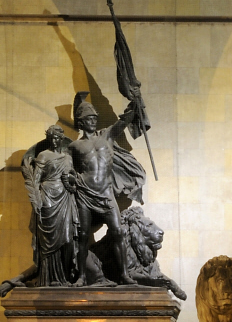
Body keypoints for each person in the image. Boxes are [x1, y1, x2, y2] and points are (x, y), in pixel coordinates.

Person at [68, 96, 143, 286]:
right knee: (83, 235)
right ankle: (82, 276)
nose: (93, 121)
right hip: (84, 194)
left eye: (94, 118)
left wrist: (134, 105)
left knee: (118, 231)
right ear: (81, 122)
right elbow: (67, 169)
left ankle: (125, 274)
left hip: (105, 193)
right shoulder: (74, 146)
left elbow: (122, 123)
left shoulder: (106, 136)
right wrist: (69, 179)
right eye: (89, 119)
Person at [24, 125, 81, 286]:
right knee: (48, 241)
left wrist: (71, 181)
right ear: (49, 139)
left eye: (58, 138)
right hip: (48, 197)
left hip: (65, 198)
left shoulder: (68, 158)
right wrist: (36, 200)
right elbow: (35, 179)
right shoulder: (43, 156)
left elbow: (73, 179)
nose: (55, 141)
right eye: (52, 138)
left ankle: (64, 276)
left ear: (62, 139)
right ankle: (49, 279)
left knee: (68, 239)